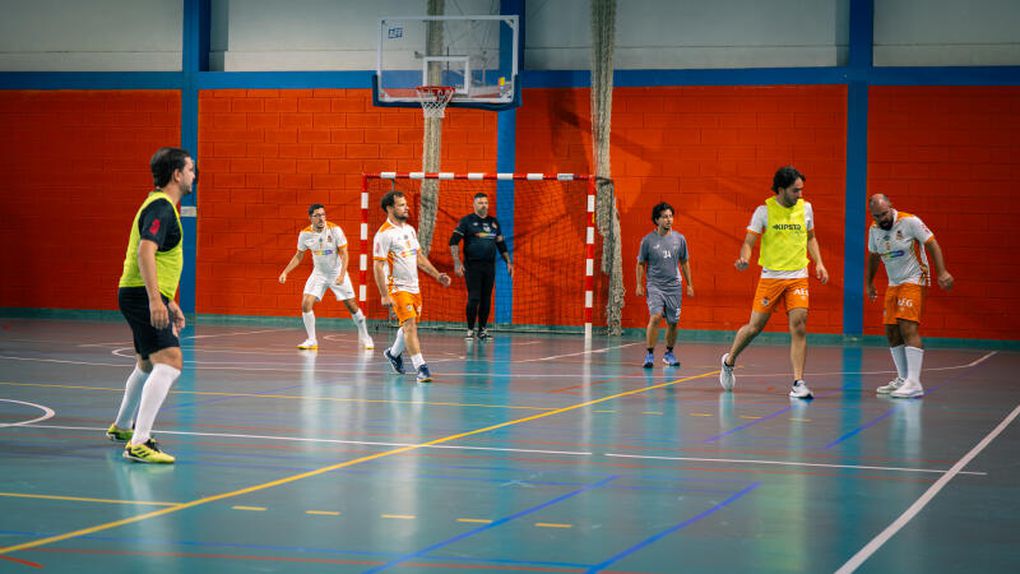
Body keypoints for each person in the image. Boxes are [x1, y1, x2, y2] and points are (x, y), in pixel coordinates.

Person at [106, 147, 196, 464]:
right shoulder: (161, 208)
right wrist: (155, 300)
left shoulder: (160, 206)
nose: (193, 176)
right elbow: (146, 251)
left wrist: (169, 301)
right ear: (176, 174)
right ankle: (139, 442)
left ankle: (122, 427)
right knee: (170, 362)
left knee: (147, 363)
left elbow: (156, 259)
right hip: (140, 295)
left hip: (136, 292)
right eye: (190, 169)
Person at [719, 166, 829, 399]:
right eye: (795, 190)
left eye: (801, 190)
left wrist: (819, 262)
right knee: (754, 328)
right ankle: (729, 361)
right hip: (771, 277)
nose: (800, 194)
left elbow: (811, 238)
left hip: (798, 275)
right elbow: (749, 242)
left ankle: (798, 382)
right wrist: (744, 259)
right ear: (781, 189)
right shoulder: (763, 211)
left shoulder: (806, 208)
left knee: (799, 325)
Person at [866, 193, 954, 398]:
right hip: (893, 284)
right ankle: (903, 378)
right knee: (891, 330)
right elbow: (873, 256)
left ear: (891, 207)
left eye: (885, 214)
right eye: (877, 216)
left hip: (915, 280)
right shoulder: (874, 230)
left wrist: (942, 272)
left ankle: (914, 383)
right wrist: (869, 283)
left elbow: (932, 243)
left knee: (907, 326)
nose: (882, 219)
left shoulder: (910, 221)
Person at [373, 191, 452, 382]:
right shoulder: (383, 234)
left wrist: (437, 275)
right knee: (409, 326)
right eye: (401, 205)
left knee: (410, 324)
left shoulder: (409, 230)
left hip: (414, 287)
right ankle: (421, 368)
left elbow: (419, 257)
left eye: (405, 204)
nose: (406, 207)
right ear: (390, 208)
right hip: (397, 288)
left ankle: (393, 354)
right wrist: (384, 295)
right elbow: (377, 265)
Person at [278, 203, 373, 351]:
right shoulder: (305, 234)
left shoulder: (335, 230)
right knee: (305, 304)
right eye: (317, 215)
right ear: (310, 218)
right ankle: (311, 340)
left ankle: (366, 337)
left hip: (337, 272)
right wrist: (285, 272)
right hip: (319, 273)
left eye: (323, 215)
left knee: (352, 306)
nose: (321, 218)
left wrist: (342, 275)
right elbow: (299, 255)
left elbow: (345, 254)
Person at [636, 202, 694, 368]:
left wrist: (689, 284)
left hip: (674, 287)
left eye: (670, 216)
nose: (669, 220)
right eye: (665, 217)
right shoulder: (647, 241)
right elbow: (640, 263)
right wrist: (639, 284)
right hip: (655, 285)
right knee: (655, 317)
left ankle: (669, 353)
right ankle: (649, 354)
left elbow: (684, 262)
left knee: (673, 322)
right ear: (657, 219)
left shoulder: (680, 239)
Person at [449, 192, 513, 340]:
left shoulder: (494, 222)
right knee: (474, 298)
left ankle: (482, 330)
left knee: (486, 298)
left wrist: (508, 262)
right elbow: (453, 241)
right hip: (472, 266)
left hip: (489, 267)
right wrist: (457, 262)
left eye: (485, 203)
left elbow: (501, 244)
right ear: (474, 204)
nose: (484, 205)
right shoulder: (466, 221)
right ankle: (470, 330)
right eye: (480, 203)